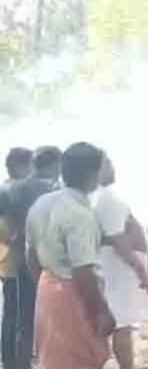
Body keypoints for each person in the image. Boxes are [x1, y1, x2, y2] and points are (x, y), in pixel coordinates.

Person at [26, 142, 115, 369]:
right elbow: (82, 270)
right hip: (74, 293)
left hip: (46, 288)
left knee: (55, 359)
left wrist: (46, 285)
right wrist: (101, 311)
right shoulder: (80, 214)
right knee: (80, 358)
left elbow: (31, 255)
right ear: (92, 174)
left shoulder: (42, 203)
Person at [93, 154, 148, 369]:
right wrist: (140, 269)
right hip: (116, 266)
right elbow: (117, 239)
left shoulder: (96, 197)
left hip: (110, 264)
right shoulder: (107, 198)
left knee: (118, 321)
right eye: (107, 164)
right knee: (121, 324)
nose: (113, 168)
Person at [7, 146, 62, 369]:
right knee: (53, 318)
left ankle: (19, 365)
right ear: (55, 165)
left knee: (24, 320)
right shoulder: (54, 190)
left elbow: (10, 228)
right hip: (49, 263)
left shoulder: (14, 189)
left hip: (20, 259)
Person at [0, 147, 32, 369]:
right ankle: (14, 360)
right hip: (15, 262)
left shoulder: (7, 189)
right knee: (17, 311)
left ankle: (9, 358)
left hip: (8, 261)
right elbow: (8, 229)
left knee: (11, 310)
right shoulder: (13, 192)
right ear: (21, 166)